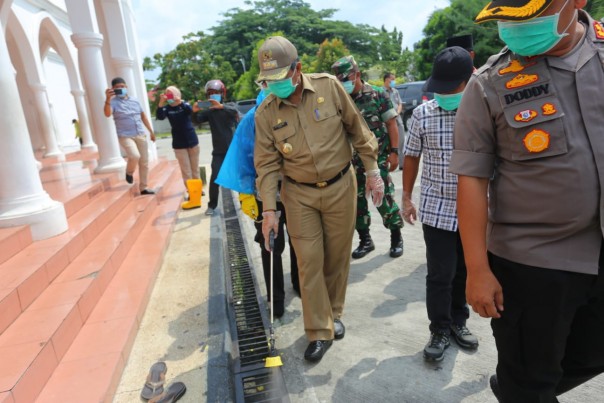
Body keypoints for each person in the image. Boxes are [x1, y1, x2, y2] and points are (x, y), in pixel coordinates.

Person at [449, 0, 604, 401]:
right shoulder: (488, 83)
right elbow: (471, 180)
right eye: (507, 19)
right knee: (531, 381)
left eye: (532, 15)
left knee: (589, 354)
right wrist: (477, 270)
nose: (517, 29)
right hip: (534, 263)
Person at [254, 36, 384, 363]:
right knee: (309, 260)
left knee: (337, 256)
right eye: (268, 81)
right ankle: (319, 330)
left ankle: (334, 312)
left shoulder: (329, 88)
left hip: (341, 184)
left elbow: (358, 129)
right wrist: (269, 210)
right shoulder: (266, 112)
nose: (274, 86)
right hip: (298, 194)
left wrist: (372, 171)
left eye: (280, 78)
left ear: (297, 69)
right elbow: (267, 165)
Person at [402, 46, 478, 362]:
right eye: (441, 89)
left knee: (464, 270)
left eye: (452, 88)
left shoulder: (483, 110)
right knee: (440, 274)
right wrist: (406, 196)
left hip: (475, 210)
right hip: (436, 207)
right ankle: (439, 328)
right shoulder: (422, 114)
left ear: (469, 79)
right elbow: (411, 156)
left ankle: (459, 323)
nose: (445, 94)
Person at [216, 90, 300, 318]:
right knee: (271, 245)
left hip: (295, 191)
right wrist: (246, 194)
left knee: (298, 241)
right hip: (264, 196)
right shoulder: (251, 121)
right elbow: (242, 159)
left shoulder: (294, 112)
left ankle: (299, 284)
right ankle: (276, 299)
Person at [331, 56, 404, 259]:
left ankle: (396, 237)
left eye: (346, 78)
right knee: (356, 203)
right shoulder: (339, 99)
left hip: (377, 157)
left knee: (383, 198)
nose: (343, 82)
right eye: (339, 79)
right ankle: (365, 241)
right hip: (349, 162)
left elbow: (391, 124)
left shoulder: (377, 94)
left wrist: (394, 152)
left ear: (357, 75)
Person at [193, 80, 239, 216]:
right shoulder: (210, 112)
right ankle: (212, 205)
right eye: (211, 94)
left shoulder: (229, 107)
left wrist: (221, 107)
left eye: (216, 93)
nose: (214, 96)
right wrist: (194, 112)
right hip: (218, 152)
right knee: (214, 179)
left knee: (240, 176)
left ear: (222, 94)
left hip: (233, 151)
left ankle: (247, 201)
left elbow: (235, 112)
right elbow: (197, 120)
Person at [104, 77, 156, 195]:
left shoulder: (135, 100)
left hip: (140, 134)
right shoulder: (112, 102)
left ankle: (143, 188)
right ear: (112, 89)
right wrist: (107, 99)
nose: (120, 89)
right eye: (117, 87)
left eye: (122, 86)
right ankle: (129, 172)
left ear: (126, 87)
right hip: (125, 135)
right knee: (134, 155)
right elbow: (107, 114)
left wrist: (151, 132)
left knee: (144, 162)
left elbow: (143, 117)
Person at [156, 85, 202, 209]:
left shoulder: (184, 105)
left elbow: (189, 111)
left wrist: (179, 101)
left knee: (195, 169)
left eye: (172, 94)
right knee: (186, 170)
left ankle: (198, 190)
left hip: (192, 140)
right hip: (179, 144)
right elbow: (159, 116)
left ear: (177, 94)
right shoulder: (166, 109)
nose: (170, 97)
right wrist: (161, 102)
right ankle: (191, 193)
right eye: (167, 94)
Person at [383, 72, 406, 169]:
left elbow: (399, 103)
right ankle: (387, 164)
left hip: (398, 119)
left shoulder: (395, 91)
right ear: (387, 80)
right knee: (388, 143)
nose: (394, 81)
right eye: (392, 79)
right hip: (387, 121)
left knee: (401, 141)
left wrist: (397, 112)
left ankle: (402, 164)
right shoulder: (381, 92)